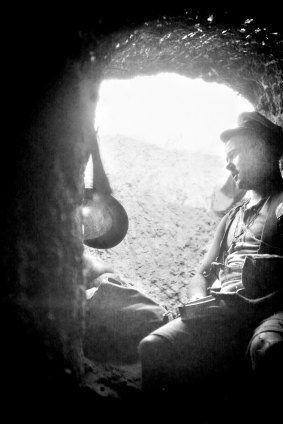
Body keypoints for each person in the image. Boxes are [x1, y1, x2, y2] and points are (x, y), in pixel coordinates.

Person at [138, 111, 283, 414]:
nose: (228, 164)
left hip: (268, 309)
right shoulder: (232, 217)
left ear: (259, 148)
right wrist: (199, 300)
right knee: (154, 346)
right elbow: (200, 275)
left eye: (234, 155)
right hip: (224, 310)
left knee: (269, 348)